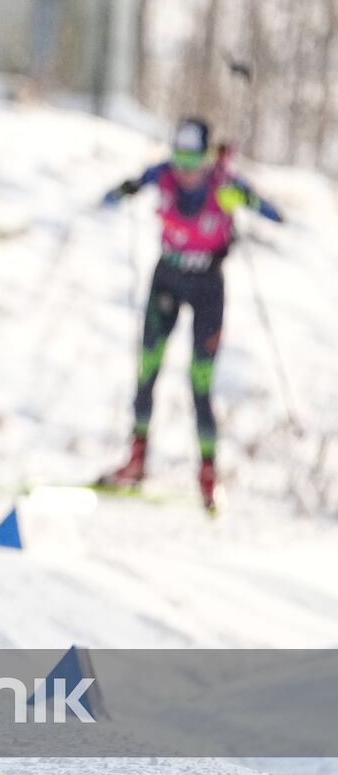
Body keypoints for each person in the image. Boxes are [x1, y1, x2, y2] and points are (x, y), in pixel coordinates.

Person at [97, 117, 284, 511]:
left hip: (207, 287)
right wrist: (124, 191)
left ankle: (208, 475)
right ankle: (135, 462)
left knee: (200, 382)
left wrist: (245, 199)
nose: (184, 171)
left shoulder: (222, 182)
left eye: (192, 162)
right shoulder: (161, 174)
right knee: (147, 369)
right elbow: (115, 194)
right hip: (167, 278)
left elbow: (274, 214)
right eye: (178, 160)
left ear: (206, 157)